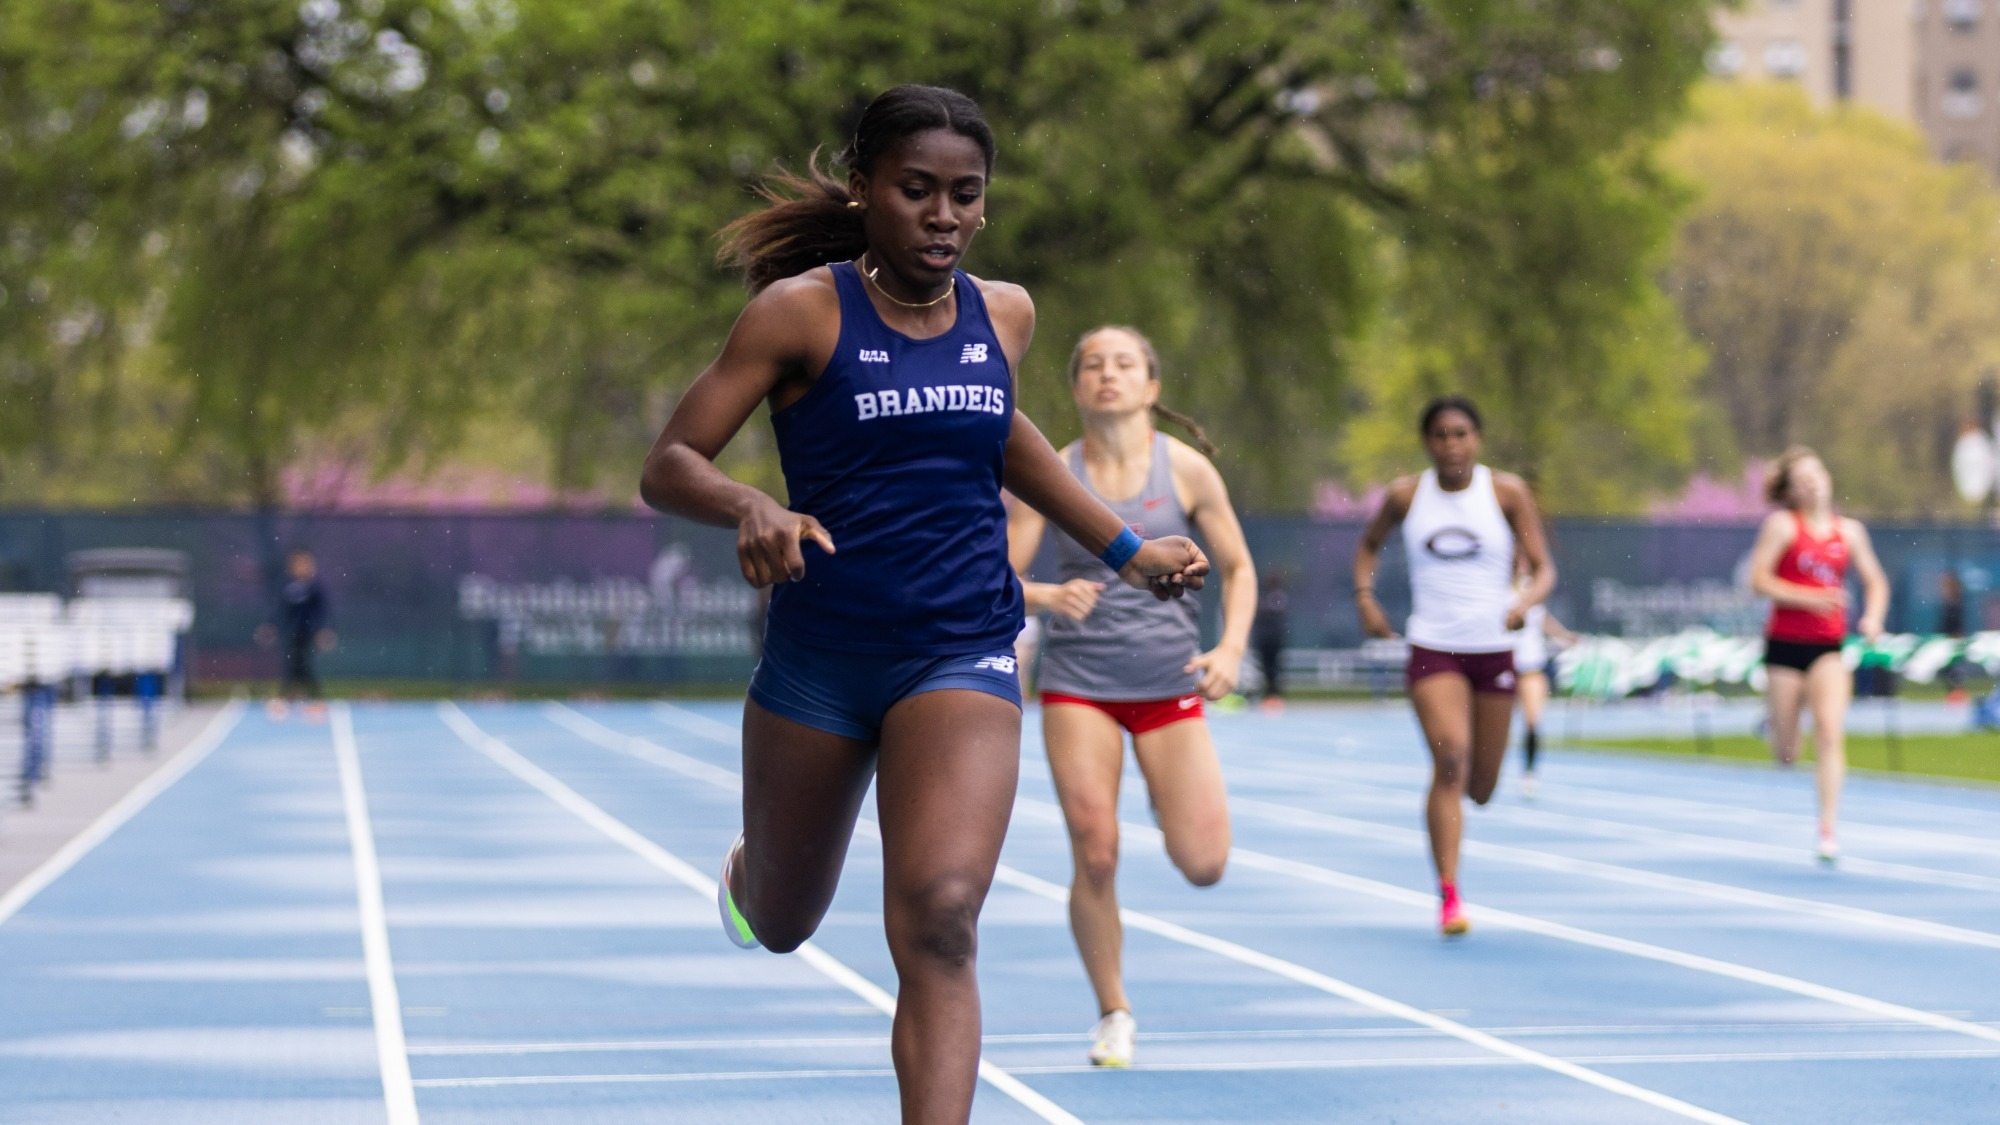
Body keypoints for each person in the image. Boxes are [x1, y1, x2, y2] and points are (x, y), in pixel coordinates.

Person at [636, 86, 1209, 1125]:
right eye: (915, 192)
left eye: (964, 195)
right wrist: (750, 504)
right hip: (819, 660)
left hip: (959, 647)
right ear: (864, 193)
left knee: (942, 918)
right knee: (780, 922)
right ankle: (752, 872)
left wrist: (1122, 549)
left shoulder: (1005, 314)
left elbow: (1001, 433)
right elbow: (669, 462)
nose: (942, 215)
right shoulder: (797, 314)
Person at [1005, 325, 1255, 1068]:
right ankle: (1113, 1010)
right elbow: (994, 576)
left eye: (1124, 364)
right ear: (1077, 388)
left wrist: (1232, 648)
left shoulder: (1186, 473)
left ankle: (1158, 782)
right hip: (1080, 688)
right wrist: (1047, 595)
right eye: (1091, 365)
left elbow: (1238, 568)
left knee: (1204, 862)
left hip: (1169, 685)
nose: (1107, 374)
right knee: (1097, 850)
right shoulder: (1051, 469)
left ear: (1151, 386)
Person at [1353, 397, 1554, 937]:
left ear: (1478, 439)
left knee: (1481, 786)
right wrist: (1366, 598)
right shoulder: (1406, 496)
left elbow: (1543, 569)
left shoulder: (1507, 493)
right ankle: (1448, 894)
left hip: (1494, 649)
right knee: (1451, 760)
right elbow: (1368, 546)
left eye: (1461, 434)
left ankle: (1459, 810)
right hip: (1433, 647)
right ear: (1427, 442)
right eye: (1440, 435)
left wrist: (1523, 604)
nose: (1451, 445)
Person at [1747, 446, 1888, 864]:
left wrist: (1874, 618)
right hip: (1785, 647)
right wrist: (1809, 597)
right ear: (1792, 492)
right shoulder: (1782, 527)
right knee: (1787, 754)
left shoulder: (1851, 533)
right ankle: (1778, 720)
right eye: (1802, 479)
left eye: (1817, 473)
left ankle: (1827, 828)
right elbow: (1758, 580)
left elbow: (1875, 582)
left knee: (1829, 731)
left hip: (1828, 647)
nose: (1813, 482)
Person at [1512, 572, 1576, 800]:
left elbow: (1541, 617)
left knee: (1532, 721)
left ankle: (1529, 773)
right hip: (1501, 664)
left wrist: (1562, 635)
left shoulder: (1533, 585)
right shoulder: (1494, 582)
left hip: (1530, 665)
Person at [255, 548, 335, 720]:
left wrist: (323, 630)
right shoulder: (288, 586)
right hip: (291, 632)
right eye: (298, 564)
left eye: (305, 564)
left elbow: (323, 612)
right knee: (292, 664)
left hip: (308, 633)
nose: (302, 567)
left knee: (303, 664)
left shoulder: (315, 588)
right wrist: (270, 626)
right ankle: (292, 697)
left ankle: (310, 698)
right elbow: (279, 611)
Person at [1252, 570, 1291, 712]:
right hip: (1264, 640)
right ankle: (1268, 695)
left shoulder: (1279, 596)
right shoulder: (1265, 596)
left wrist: (1261, 607)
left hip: (1275, 640)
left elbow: (1270, 610)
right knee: (1265, 669)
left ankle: (1275, 696)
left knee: (1274, 670)